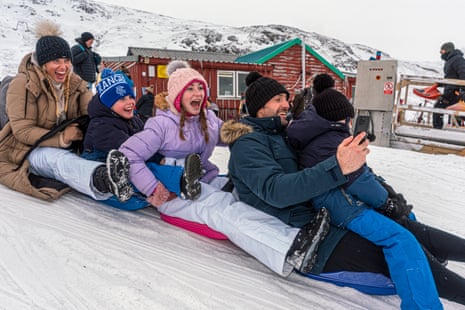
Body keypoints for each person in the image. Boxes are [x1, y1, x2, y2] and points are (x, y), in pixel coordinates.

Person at [222, 72, 465, 309]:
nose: (286, 104)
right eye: (278, 100)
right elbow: (276, 190)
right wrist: (338, 167)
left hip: (328, 212)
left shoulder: (282, 133)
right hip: (311, 233)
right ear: (257, 107)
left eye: (286, 98)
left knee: (408, 227)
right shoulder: (248, 143)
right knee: (406, 251)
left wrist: (385, 191)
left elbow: (320, 163)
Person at [119, 60, 331, 277]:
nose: (198, 93)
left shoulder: (207, 119)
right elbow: (129, 155)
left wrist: (267, 133)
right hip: (172, 192)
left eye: (200, 87)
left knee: (243, 191)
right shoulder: (161, 125)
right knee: (224, 209)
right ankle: (290, 246)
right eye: (190, 88)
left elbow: (232, 134)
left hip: (204, 179)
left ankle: (295, 222)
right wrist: (153, 188)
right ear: (177, 95)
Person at [286, 87, 444, 308]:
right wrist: (386, 203)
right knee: (400, 237)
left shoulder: (321, 133)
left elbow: (359, 177)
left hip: (342, 199)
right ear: (342, 116)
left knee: (408, 222)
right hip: (341, 206)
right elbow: (358, 180)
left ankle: (427, 268)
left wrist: (386, 194)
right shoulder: (332, 139)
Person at [0, 20, 132, 203]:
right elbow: (22, 130)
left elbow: (92, 109)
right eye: (56, 61)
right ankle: (103, 179)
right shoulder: (22, 84)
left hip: (70, 143)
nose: (63, 67)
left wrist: (119, 111)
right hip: (27, 149)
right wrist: (62, 138)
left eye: (67, 61)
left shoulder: (75, 83)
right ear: (43, 63)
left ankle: (144, 172)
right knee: (58, 159)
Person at [81, 69, 202, 209]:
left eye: (131, 97)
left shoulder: (133, 119)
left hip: (130, 160)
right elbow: (131, 149)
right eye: (121, 99)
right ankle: (180, 181)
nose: (130, 102)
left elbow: (146, 142)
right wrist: (158, 158)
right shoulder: (101, 126)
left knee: (151, 163)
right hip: (108, 167)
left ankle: (185, 175)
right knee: (147, 168)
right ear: (108, 104)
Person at [433, 42, 465, 129]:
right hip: (451, 91)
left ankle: (438, 130)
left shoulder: (457, 59)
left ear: (447, 50)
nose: (441, 53)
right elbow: (451, 77)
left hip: (456, 92)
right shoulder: (450, 60)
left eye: (442, 50)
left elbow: (463, 74)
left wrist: (463, 90)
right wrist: (441, 83)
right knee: (442, 108)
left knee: (439, 107)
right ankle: (445, 129)